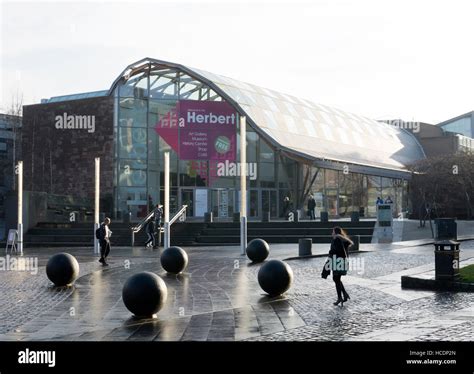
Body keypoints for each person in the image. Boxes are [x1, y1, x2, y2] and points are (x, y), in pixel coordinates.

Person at [328, 226, 353, 306]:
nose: (332, 233)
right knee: (337, 279)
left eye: (333, 232)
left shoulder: (337, 239)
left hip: (338, 261)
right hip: (342, 261)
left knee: (336, 278)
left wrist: (331, 251)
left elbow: (337, 250)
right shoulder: (342, 239)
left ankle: (340, 298)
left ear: (335, 232)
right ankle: (344, 295)